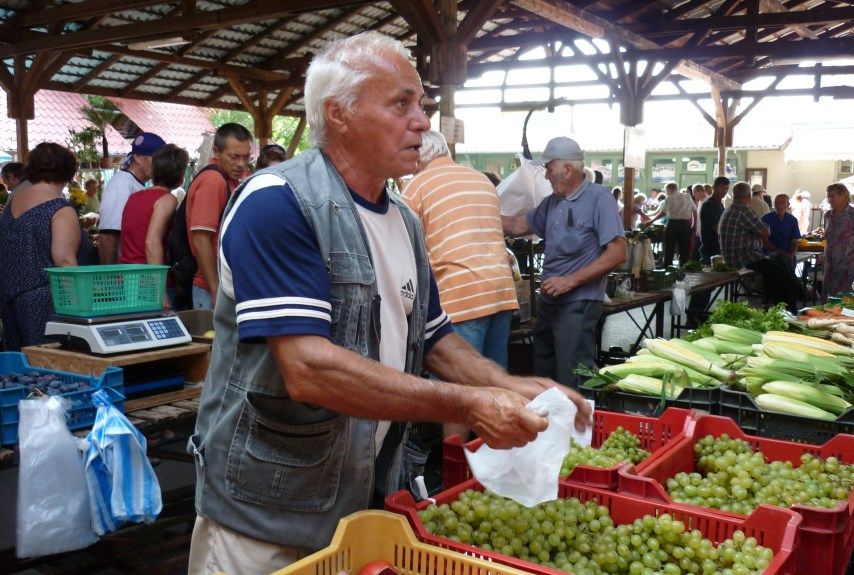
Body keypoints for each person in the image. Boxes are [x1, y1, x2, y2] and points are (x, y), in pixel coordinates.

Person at [186, 32, 591, 575]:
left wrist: (507, 384)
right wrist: (468, 404)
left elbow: (435, 339)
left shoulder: (404, 220)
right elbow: (308, 368)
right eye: (402, 103)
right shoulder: (277, 202)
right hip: (266, 512)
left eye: (420, 104)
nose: (422, 121)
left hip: (357, 499)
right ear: (340, 113)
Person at [401, 130, 519, 440]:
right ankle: (493, 463)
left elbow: (406, 248)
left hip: (461, 295)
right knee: (493, 384)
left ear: (420, 155)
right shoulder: (481, 180)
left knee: (458, 393)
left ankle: (457, 472)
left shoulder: (417, 187)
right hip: (501, 293)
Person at [502, 137, 626, 389]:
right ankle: (549, 426)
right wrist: (477, 209)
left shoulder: (599, 199)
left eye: (548, 168)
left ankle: (576, 427)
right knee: (544, 369)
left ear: (567, 169)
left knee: (572, 374)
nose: (546, 176)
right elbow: (517, 226)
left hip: (578, 302)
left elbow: (617, 253)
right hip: (550, 301)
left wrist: (570, 281)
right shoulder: (552, 202)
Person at [0, 143, 92, 350]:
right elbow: (65, 261)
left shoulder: (13, 201)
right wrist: (81, 308)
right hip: (45, 301)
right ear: (68, 170)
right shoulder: (59, 207)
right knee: (50, 369)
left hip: (9, 297)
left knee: (21, 368)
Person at [185, 122, 253, 310]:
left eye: (246, 157)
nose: (241, 164)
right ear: (216, 152)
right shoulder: (213, 182)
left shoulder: (227, 179)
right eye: (234, 157)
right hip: (210, 288)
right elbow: (201, 239)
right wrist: (215, 289)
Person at [120, 145, 190, 310]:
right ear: (181, 178)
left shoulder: (134, 197)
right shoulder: (167, 200)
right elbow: (152, 242)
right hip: (149, 282)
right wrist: (159, 289)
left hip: (128, 279)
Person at [719, 182, 800, 312]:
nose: (779, 206)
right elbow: (765, 233)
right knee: (781, 272)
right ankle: (788, 311)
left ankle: (772, 304)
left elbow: (760, 233)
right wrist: (757, 233)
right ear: (748, 196)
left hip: (731, 256)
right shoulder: (744, 211)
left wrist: (756, 233)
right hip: (743, 257)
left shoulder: (729, 209)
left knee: (780, 265)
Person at [98, 132, 166, 263]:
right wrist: (111, 278)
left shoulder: (134, 183)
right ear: (138, 157)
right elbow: (108, 236)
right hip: (124, 275)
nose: (160, 164)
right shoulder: (122, 184)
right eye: (156, 159)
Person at [822, 183, 854, 301]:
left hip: (849, 266)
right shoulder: (828, 215)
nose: (829, 200)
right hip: (830, 265)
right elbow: (828, 238)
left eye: (832, 196)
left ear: (843, 196)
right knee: (829, 299)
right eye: (828, 197)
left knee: (846, 300)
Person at [646, 181, 697, 267]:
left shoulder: (668, 198)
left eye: (666, 190)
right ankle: (684, 268)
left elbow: (662, 213)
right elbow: (694, 211)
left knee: (669, 248)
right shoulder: (687, 196)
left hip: (673, 224)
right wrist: (694, 224)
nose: (666, 192)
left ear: (670, 189)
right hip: (685, 224)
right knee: (684, 248)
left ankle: (668, 267)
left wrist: (651, 221)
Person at [762, 193, 801, 264]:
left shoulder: (792, 220)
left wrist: (791, 254)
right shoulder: (766, 219)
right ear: (774, 204)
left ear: (788, 205)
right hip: (770, 256)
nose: (779, 205)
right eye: (777, 203)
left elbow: (795, 241)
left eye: (782, 203)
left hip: (788, 256)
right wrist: (781, 253)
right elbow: (764, 241)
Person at [699, 176, 728, 263]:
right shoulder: (708, 205)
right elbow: (716, 227)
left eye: (727, 188)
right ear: (714, 187)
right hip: (710, 248)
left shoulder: (720, 204)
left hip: (718, 246)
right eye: (722, 187)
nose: (725, 191)